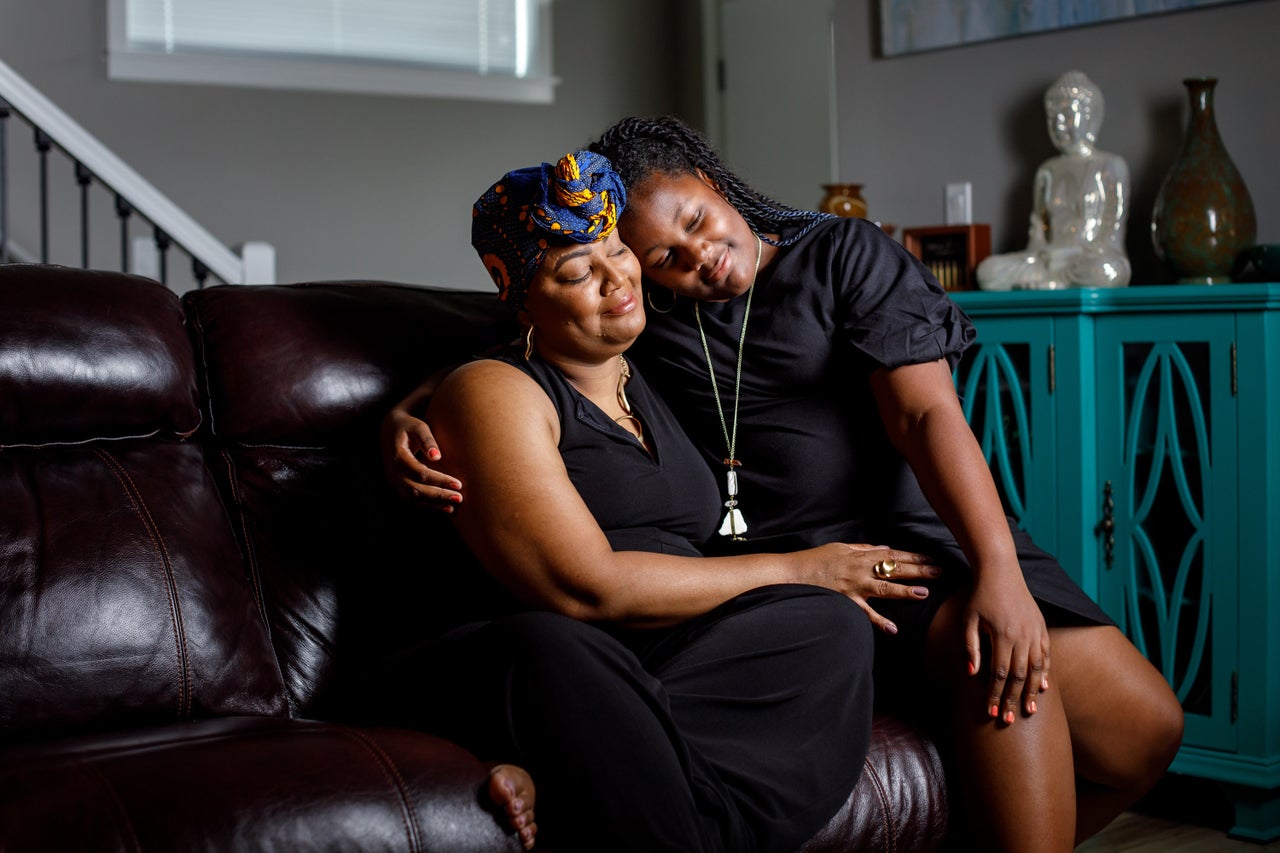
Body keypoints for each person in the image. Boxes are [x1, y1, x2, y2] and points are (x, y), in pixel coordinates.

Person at [386, 119, 1183, 852]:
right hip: (802, 577)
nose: (693, 257)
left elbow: (927, 419)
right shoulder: (652, 306)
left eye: (695, 223)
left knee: (1147, 730)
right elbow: (529, 341)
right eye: (661, 252)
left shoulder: (842, 255)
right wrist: (410, 408)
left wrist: (1000, 569)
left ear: (714, 178)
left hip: (925, 536)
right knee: (1002, 668)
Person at [384, 150, 941, 853]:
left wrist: (810, 587)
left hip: (657, 657)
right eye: (577, 272)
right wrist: (801, 566)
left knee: (827, 627)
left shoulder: (650, 369)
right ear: (523, 300)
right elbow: (585, 587)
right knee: (565, 648)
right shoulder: (499, 390)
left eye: (616, 250)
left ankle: (577, 778)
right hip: (539, 649)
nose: (616, 278)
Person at [976, 70, 1131, 290]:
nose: (1058, 124)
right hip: (1048, 260)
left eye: (1066, 115)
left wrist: (1085, 252)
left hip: (1086, 259)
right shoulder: (1047, 170)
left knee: (1111, 270)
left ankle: (1053, 282)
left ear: (1089, 116)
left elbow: (1112, 232)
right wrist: (1041, 254)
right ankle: (1050, 281)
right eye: (1052, 117)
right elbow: (1038, 229)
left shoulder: (1109, 165)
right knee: (988, 271)